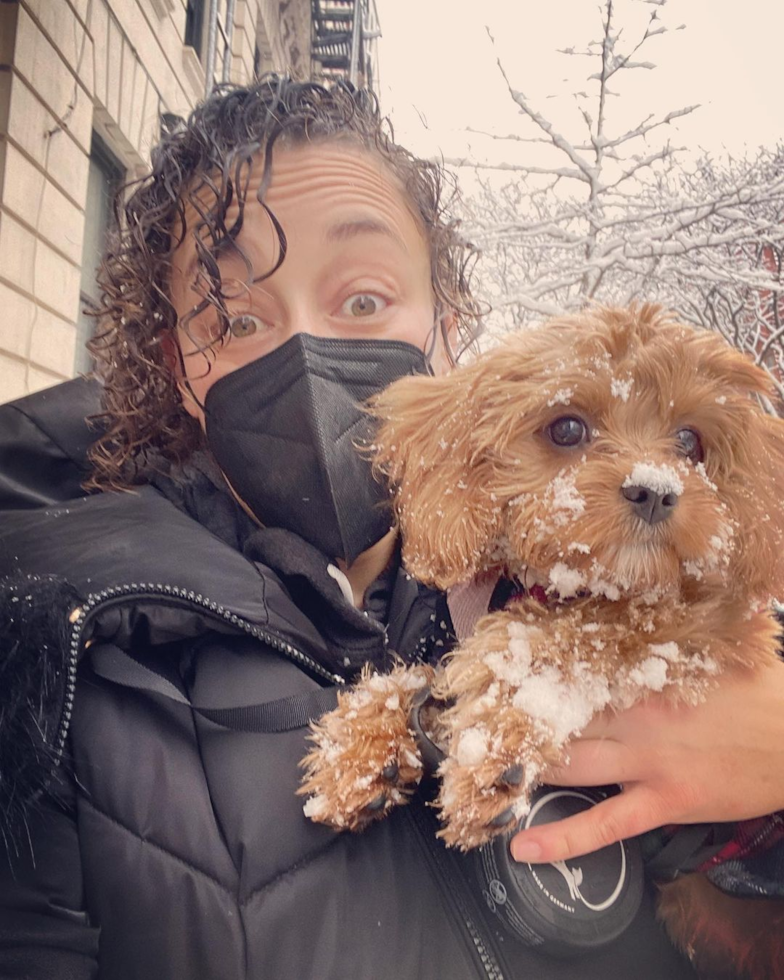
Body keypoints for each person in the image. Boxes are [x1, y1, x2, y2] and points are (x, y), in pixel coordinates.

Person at [0, 75, 782, 980]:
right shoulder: (48, 660)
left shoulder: (542, 577)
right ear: (177, 366)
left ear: (445, 332)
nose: (302, 349)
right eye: (237, 316)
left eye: (364, 300)